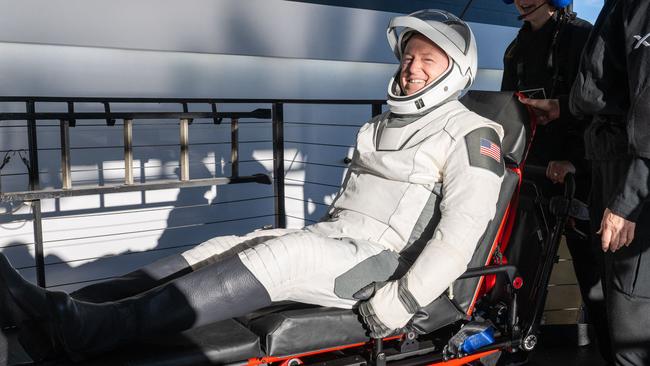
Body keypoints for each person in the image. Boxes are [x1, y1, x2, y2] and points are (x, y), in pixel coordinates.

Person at [0, 10, 506, 362]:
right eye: (408, 57)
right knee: (228, 246)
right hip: (340, 239)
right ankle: (59, 312)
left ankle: (88, 330)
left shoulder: (472, 133)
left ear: (454, 72)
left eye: (428, 61)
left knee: (286, 257)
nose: (411, 69)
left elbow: (459, 236)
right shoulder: (378, 124)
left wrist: (402, 301)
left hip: (383, 263)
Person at [500, 0, 613, 362]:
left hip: (579, 176)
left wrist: (575, 163)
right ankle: (511, 350)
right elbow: (508, 108)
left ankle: (614, 352)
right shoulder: (516, 47)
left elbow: (602, 107)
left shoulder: (583, 37)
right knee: (520, 269)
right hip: (531, 175)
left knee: (593, 271)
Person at [568, 0, 650, 364]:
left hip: (630, 172)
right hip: (609, 158)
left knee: (631, 307)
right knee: (613, 299)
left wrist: (627, 200)